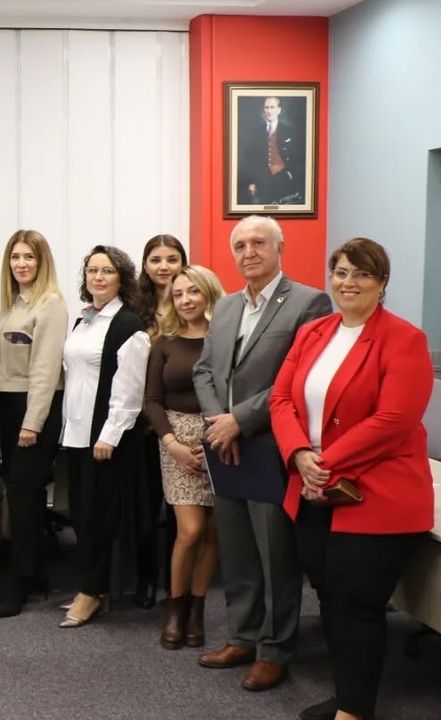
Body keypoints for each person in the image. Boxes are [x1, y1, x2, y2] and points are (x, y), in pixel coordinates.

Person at [269, 238, 434, 720]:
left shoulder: (404, 339)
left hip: (375, 495)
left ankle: (355, 711)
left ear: (382, 282)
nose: (349, 282)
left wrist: (324, 463)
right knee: (330, 598)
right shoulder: (314, 332)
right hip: (313, 488)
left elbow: (394, 420)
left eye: (362, 274)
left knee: (356, 604)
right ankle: (349, 697)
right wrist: (299, 453)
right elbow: (281, 399)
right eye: (341, 272)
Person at [192, 214, 331, 691]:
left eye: (258, 243)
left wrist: (240, 420)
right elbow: (204, 371)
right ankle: (243, 636)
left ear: (279, 248)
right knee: (237, 551)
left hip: (270, 445)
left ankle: (275, 648)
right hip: (224, 445)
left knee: (275, 555)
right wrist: (218, 421)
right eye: (240, 245)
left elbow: (299, 377)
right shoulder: (226, 306)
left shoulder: (309, 302)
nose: (248, 252)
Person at [58, 245, 150, 628]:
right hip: (75, 432)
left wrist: (109, 435)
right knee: (80, 515)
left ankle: (93, 592)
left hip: (104, 439)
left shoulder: (129, 326)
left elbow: (130, 390)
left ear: (121, 278)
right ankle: (89, 585)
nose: (98, 277)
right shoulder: (84, 321)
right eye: (92, 270)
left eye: (107, 271)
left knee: (99, 518)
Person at [144, 265, 224, 649]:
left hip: (220, 440)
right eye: (178, 294)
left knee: (213, 533)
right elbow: (152, 400)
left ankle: (197, 609)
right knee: (190, 530)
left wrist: (216, 438)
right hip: (176, 441)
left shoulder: (226, 340)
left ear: (208, 293)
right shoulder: (165, 342)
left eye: (193, 291)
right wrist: (172, 444)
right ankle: (174, 608)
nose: (186, 300)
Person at [0, 229, 67, 619]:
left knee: (21, 499)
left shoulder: (50, 305)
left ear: (42, 262)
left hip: (33, 409)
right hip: (9, 407)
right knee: (25, 496)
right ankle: (35, 573)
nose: (21, 264)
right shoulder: (12, 306)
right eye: (15, 257)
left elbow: (45, 370)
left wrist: (32, 423)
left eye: (29, 257)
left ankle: (17, 584)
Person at [132, 234, 189, 609]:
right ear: (145, 265)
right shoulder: (134, 308)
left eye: (172, 259)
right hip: (141, 422)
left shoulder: (192, 303)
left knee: (177, 508)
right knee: (145, 503)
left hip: (180, 421)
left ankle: (175, 581)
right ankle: (145, 578)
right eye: (156, 259)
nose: (164, 266)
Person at [238, 96, 305, 206]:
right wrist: (251, 182)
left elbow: (298, 158)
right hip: (261, 180)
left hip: (284, 179)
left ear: (279, 110)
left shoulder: (289, 131)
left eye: (272, 107)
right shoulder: (255, 132)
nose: (269, 111)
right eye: (266, 107)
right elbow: (249, 159)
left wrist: (291, 175)